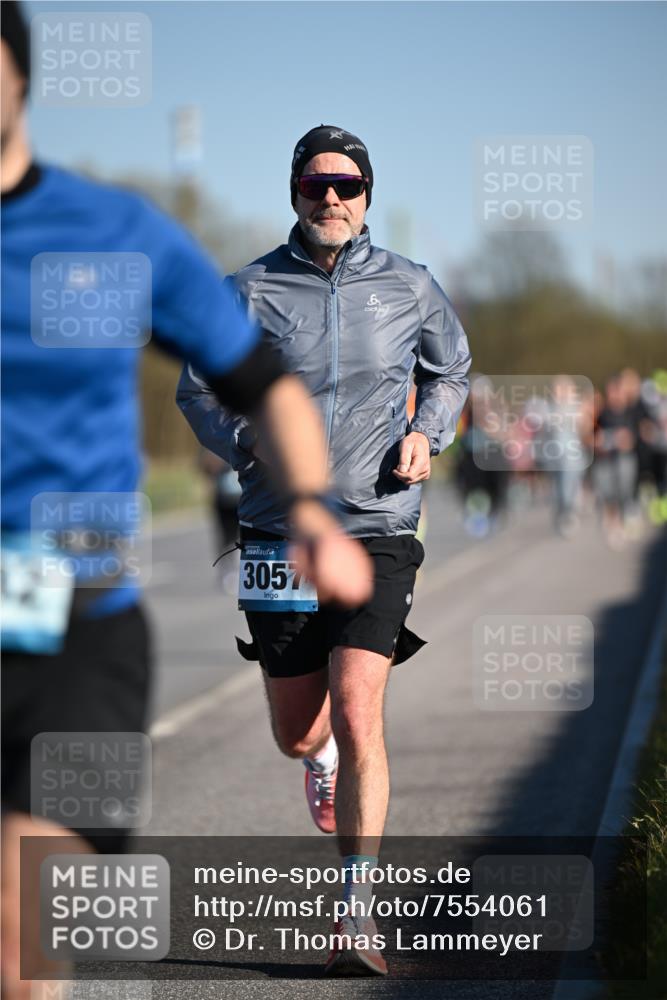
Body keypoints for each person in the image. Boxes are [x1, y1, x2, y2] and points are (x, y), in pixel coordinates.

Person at [0, 8, 371, 996]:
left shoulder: (111, 232)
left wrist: (311, 510)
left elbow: (261, 384)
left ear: (20, 78)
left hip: (72, 629)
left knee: (15, 934)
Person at [178, 124, 471, 976]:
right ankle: (322, 760)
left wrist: (427, 430)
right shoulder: (247, 289)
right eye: (314, 185)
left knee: (358, 704)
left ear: (368, 192)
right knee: (299, 732)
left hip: (381, 521)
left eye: (345, 183)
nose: (330, 198)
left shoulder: (410, 286)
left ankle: (354, 913)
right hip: (279, 526)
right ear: (295, 193)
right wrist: (245, 436)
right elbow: (196, 386)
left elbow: (451, 370)